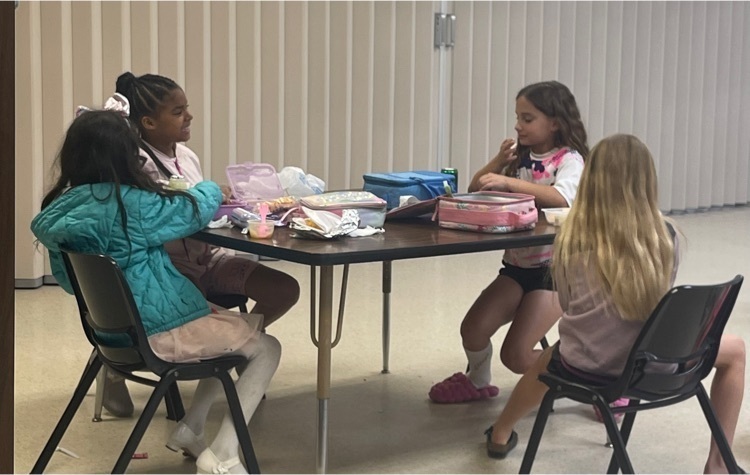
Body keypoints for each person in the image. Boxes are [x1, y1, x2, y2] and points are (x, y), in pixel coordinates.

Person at [31, 108, 279, 474]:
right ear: (125, 157)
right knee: (266, 347)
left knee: (231, 331)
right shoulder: (126, 204)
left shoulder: (59, 211)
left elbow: (70, 283)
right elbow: (192, 211)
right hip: (158, 334)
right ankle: (224, 452)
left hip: (112, 336)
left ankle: (190, 430)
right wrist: (209, 187)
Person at [484, 134, 746, 474]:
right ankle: (718, 463)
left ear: (591, 182)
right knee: (736, 350)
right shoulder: (667, 237)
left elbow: (567, 302)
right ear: (648, 182)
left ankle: (501, 432)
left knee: (551, 356)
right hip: (657, 364)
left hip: (588, 367)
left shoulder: (571, 240)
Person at [97, 71, 300, 419]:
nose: (188, 116)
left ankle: (242, 347)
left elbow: (199, 205)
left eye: (186, 108)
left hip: (209, 256)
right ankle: (114, 369)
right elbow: (165, 218)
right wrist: (203, 199)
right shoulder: (136, 166)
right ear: (147, 122)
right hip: (170, 268)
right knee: (198, 318)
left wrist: (228, 200)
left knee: (284, 288)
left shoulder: (186, 156)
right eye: (177, 112)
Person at [429, 81, 589, 403]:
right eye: (517, 117)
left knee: (515, 356)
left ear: (555, 122)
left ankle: (589, 379)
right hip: (517, 268)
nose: (518, 125)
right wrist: (498, 163)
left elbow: (562, 198)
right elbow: (475, 189)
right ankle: (478, 381)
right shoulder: (520, 158)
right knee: (472, 330)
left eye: (527, 119)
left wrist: (509, 182)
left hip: (554, 274)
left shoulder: (569, 160)